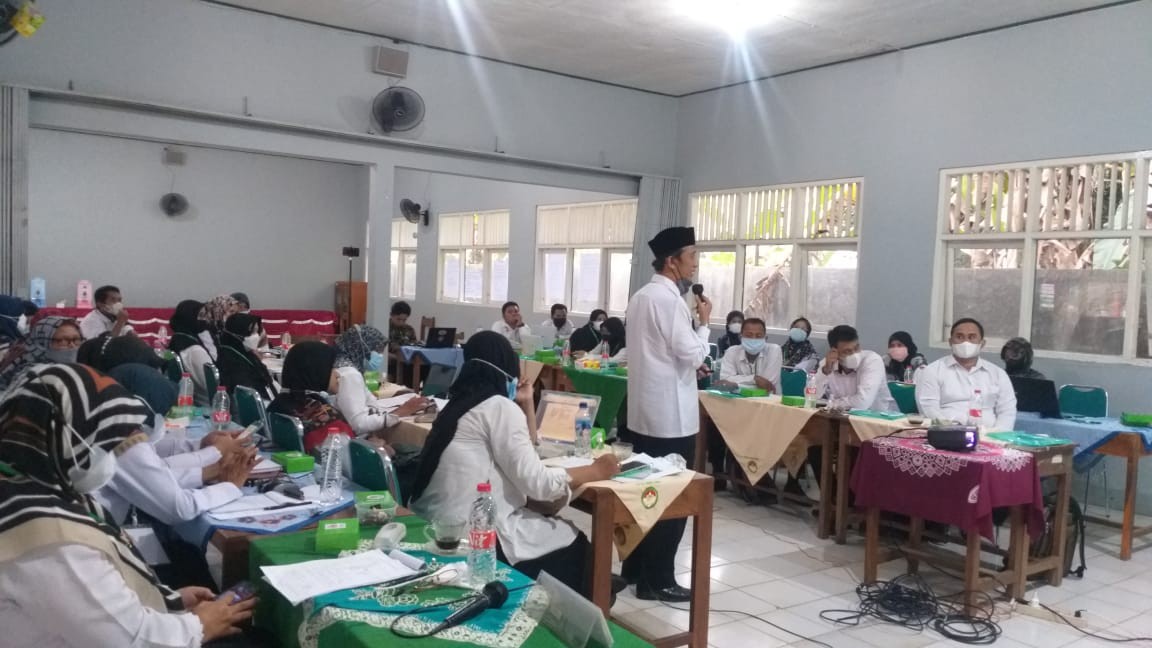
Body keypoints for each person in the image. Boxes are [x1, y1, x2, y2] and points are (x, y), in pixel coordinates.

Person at [0, 364, 256, 646]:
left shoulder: (31, 489)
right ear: (66, 439)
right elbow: (129, 639)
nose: (113, 453)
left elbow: (91, 607)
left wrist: (167, 600)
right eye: (104, 441)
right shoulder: (50, 539)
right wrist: (200, 624)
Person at [409, 332, 620, 597]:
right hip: (474, 533)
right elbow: (537, 483)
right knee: (574, 540)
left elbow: (524, 454)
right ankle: (597, 597)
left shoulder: (461, 404)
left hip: (436, 522)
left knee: (548, 524)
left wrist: (527, 403)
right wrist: (596, 470)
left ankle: (600, 585)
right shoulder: (497, 406)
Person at [624, 225, 711, 603]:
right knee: (671, 498)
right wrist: (704, 325)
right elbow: (691, 353)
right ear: (672, 261)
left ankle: (634, 568)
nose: (695, 264)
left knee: (644, 492)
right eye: (691, 256)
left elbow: (661, 351)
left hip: (644, 413)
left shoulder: (641, 296)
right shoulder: (670, 300)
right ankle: (657, 580)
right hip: (672, 418)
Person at [916, 318, 1017, 430]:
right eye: (959, 337)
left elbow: (1007, 411)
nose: (966, 342)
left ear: (982, 343)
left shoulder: (998, 374)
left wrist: (997, 436)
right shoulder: (933, 371)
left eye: (972, 337)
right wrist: (950, 431)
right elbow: (928, 407)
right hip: (946, 433)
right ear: (950, 342)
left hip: (990, 435)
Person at [333, 325, 430, 437]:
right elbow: (359, 424)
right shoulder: (350, 374)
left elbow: (370, 403)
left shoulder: (344, 366)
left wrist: (400, 408)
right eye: (377, 351)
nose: (380, 356)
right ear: (363, 348)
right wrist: (401, 412)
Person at [269, 341, 359, 453]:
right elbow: (349, 458)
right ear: (316, 371)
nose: (337, 374)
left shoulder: (279, 404)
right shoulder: (327, 419)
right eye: (331, 368)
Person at [0, 315, 83, 391]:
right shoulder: (32, 376)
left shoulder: (82, 368)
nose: (72, 346)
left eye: (76, 339)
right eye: (62, 341)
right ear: (41, 343)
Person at [813, 324, 886, 410]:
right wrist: (825, 372)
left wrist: (832, 404)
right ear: (834, 351)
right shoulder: (828, 362)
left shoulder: (872, 360)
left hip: (878, 416)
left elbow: (863, 403)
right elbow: (811, 397)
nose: (854, 353)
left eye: (856, 348)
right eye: (847, 351)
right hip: (843, 415)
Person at [216, 313, 278, 401]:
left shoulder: (243, 353)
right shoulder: (232, 360)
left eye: (257, 332)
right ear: (239, 333)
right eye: (252, 332)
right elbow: (247, 392)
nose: (256, 336)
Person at [168, 300, 216, 406]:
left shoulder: (178, 339)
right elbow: (212, 383)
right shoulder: (195, 350)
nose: (204, 320)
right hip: (208, 403)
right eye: (200, 315)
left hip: (197, 399)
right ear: (189, 317)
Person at [717, 318, 782, 392]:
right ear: (740, 337)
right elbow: (725, 379)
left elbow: (768, 386)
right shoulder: (732, 351)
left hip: (768, 397)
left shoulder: (774, 350)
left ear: (765, 338)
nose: (754, 339)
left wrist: (736, 385)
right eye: (749, 335)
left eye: (758, 336)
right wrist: (754, 379)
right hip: (738, 397)